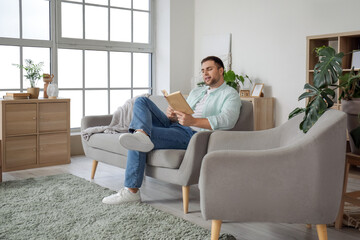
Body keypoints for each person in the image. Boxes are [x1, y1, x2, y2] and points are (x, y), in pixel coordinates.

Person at [102, 56, 241, 204]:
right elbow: (184, 113)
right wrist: (173, 115)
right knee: (142, 101)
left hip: (191, 135)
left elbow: (227, 120)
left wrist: (192, 121)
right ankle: (142, 134)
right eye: (202, 70)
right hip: (175, 126)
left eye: (209, 69)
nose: (205, 73)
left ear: (221, 70)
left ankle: (132, 191)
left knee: (134, 139)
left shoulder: (230, 94)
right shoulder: (197, 92)